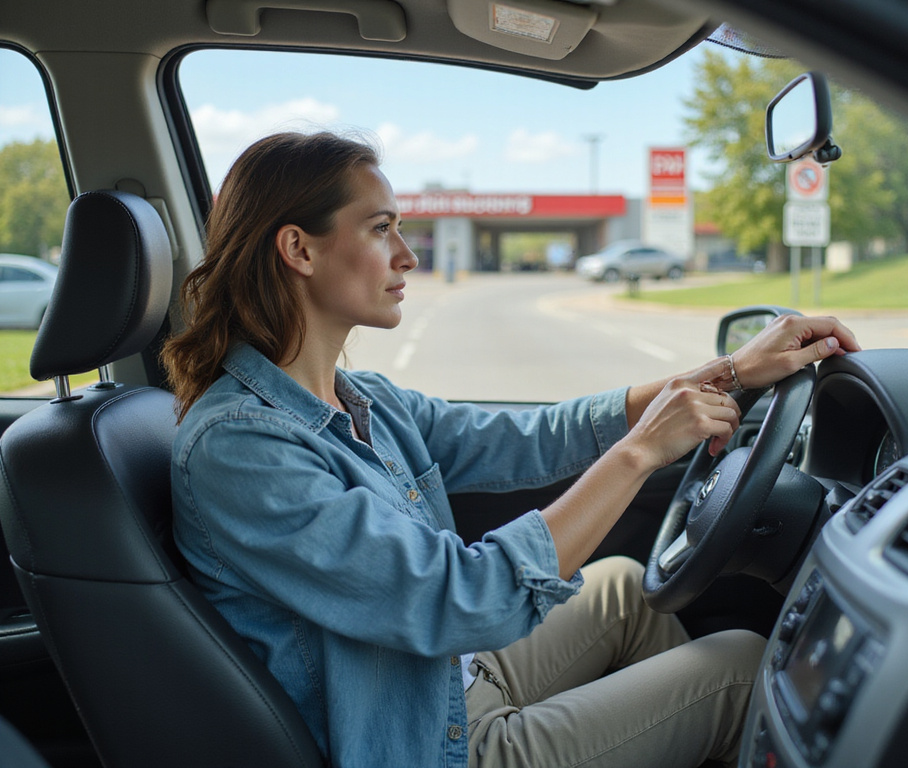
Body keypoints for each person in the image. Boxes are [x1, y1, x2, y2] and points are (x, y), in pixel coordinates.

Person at [162, 131, 860, 768]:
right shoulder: (243, 448)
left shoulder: (362, 399)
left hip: (446, 679)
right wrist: (640, 453)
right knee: (741, 668)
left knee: (625, 589)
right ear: (299, 249)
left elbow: (532, 436)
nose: (409, 255)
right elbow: (459, 600)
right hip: (426, 745)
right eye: (381, 230)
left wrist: (731, 373)